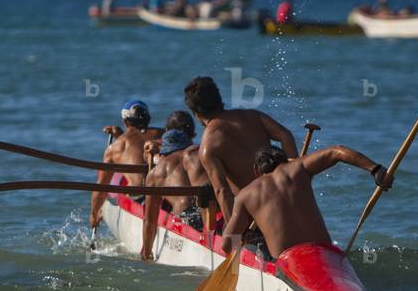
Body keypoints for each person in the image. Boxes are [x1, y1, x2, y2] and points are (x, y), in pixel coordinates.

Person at [221, 145, 393, 260]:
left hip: (288, 263)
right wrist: (375, 169)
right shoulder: (298, 168)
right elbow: (336, 151)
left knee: (258, 251)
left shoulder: (246, 194)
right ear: (285, 160)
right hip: (327, 255)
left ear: (256, 171)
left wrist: (243, 239)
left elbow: (227, 244)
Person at [183, 76, 298, 224]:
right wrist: (293, 175)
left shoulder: (208, 145)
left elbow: (222, 192)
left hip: (253, 212)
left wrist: (235, 235)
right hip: (283, 199)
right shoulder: (253, 116)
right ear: (219, 99)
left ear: (197, 114)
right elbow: (286, 136)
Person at [89, 100, 163, 230]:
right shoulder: (164, 134)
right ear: (148, 120)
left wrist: (94, 214)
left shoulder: (115, 148)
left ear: (125, 121)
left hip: (139, 200)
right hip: (166, 197)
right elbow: (139, 147)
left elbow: (101, 187)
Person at [141, 111, 205, 259]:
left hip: (186, 218)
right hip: (207, 215)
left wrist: (146, 253)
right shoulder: (197, 154)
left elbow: (150, 221)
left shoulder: (155, 173)